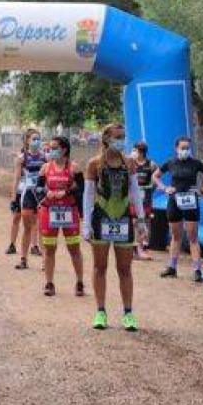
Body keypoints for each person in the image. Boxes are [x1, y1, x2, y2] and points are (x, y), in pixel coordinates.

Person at [84, 122, 144, 331]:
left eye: (123, 137)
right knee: (100, 267)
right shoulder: (94, 164)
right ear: (107, 139)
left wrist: (141, 219)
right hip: (101, 218)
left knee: (125, 268)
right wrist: (86, 224)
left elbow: (135, 192)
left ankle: (128, 313)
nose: (122, 140)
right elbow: (88, 195)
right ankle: (100, 311)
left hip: (123, 218)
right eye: (118, 137)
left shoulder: (130, 163)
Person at [155, 136, 203, 283]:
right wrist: (164, 188)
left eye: (187, 148)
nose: (185, 150)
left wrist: (202, 190)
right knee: (176, 236)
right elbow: (155, 176)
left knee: (193, 237)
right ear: (176, 148)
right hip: (174, 201)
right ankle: (172, 267)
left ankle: (197, 270)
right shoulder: (170, 162)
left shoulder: (196, 163)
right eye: (182, 148)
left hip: (191, 201)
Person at [37, 135, 85, 297]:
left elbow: (81, 189)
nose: (50, 151)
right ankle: (49, 283)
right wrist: (46, 192)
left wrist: (66, 192)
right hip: (49, 211)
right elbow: (38, 188)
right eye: (50, 148)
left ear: (64, 149)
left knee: (74, 248)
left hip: (69, 211)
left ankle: (79, 282)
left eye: (54, 148)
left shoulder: (74, 168)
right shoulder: (45, 168)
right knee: (49, 249)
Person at [11, 128, 46, 267]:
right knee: (27, 228)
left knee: (42, 228)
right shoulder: (22, 158)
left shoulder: (45, 157)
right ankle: (23, 259)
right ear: (27, 141)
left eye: (38, 139)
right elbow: (16, 179)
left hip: (42, 195)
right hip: (28, 195)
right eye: (34, 139)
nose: (36, 141)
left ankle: (45, 261)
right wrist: (14, 199)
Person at [131, 142, 155, 260]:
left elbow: (156, 178)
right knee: (135, 221)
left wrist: (150, 189)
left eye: (135, 150)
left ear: (141, 152)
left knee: (145, 222)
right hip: (134, 198)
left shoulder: (151, 164)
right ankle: (136, 248)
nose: (133, 152)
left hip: (146, 198)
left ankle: (144, 246)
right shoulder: (131, 163)